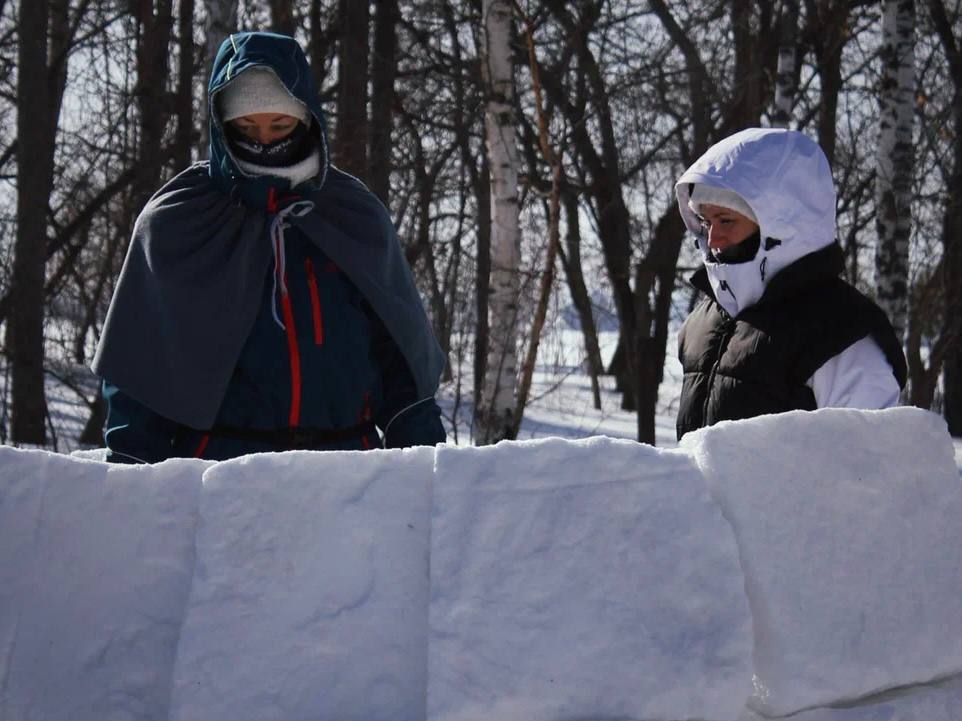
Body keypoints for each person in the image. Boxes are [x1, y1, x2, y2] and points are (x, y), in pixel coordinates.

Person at [92, 31, 446, 462]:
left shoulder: (352, 215)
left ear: (307, 120)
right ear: (221, 123)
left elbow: (400, 363)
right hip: (219, 475)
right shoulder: (181, 220)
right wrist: (132, 479)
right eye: (246, 126)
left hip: (350, 473)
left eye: (280, 125)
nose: (263, 139)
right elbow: (142, 377)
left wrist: (427, 473)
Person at [674, 127, 907, 440]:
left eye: (726, 220)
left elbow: (868, 474)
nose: (713, 239)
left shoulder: (843, 337)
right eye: (706, 222)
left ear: (782, 224)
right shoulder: (701, 324)